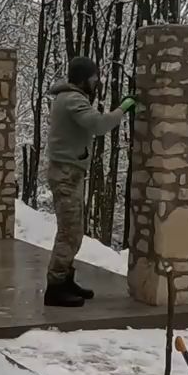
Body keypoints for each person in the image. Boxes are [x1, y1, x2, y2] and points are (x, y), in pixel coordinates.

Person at [43, 56, 135, 308]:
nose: (98, 82)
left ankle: (66, 280)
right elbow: (98, 124)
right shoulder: (72, 99)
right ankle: (55, 288)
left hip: (69, 173)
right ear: (84, 78)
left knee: (74, 232)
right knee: (68, 232)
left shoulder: (71, 98)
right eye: (95, 77)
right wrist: (123, 109)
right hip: (65, 175)